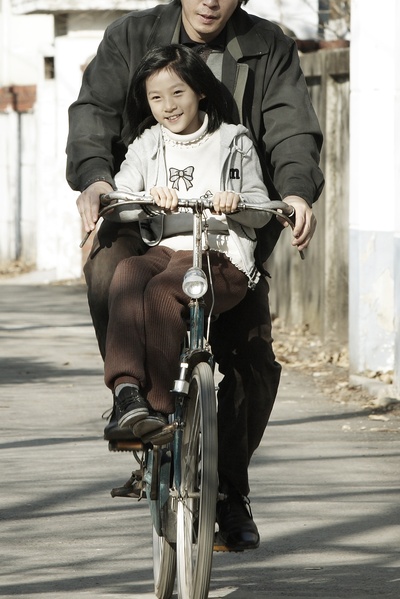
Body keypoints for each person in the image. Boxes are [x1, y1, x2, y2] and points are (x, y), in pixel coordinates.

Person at [66, 0, 324, 552]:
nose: (209, 1)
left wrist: (296, 191)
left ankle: (227, 489)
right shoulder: (130, 36)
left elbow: (291, 128)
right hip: (141, 219)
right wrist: (96, 182)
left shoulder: (268, 47)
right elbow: (93, 115)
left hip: (225, 230)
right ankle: (134, 401)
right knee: (115, 274)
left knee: (253, 362)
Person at [104, 44, 272, 441]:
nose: (168, 106)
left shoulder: (233, 141)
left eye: (178, 92)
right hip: (166, 249)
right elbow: (117, 201)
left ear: (200, 90)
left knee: (165, 289)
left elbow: (262, 210)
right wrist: (146, 201)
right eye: (156, 97)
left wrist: (237, 203)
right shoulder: (148, 144)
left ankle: (157, 410)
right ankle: (127, 394)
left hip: (220, 254)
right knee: (128, 273)